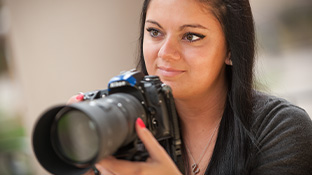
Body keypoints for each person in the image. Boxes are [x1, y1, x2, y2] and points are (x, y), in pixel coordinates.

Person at [68, 0, 312, 174]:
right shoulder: (120, 128)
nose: (165, 53)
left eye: (191, 36)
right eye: (154, 32)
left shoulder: (282, 130)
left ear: (231, 49)